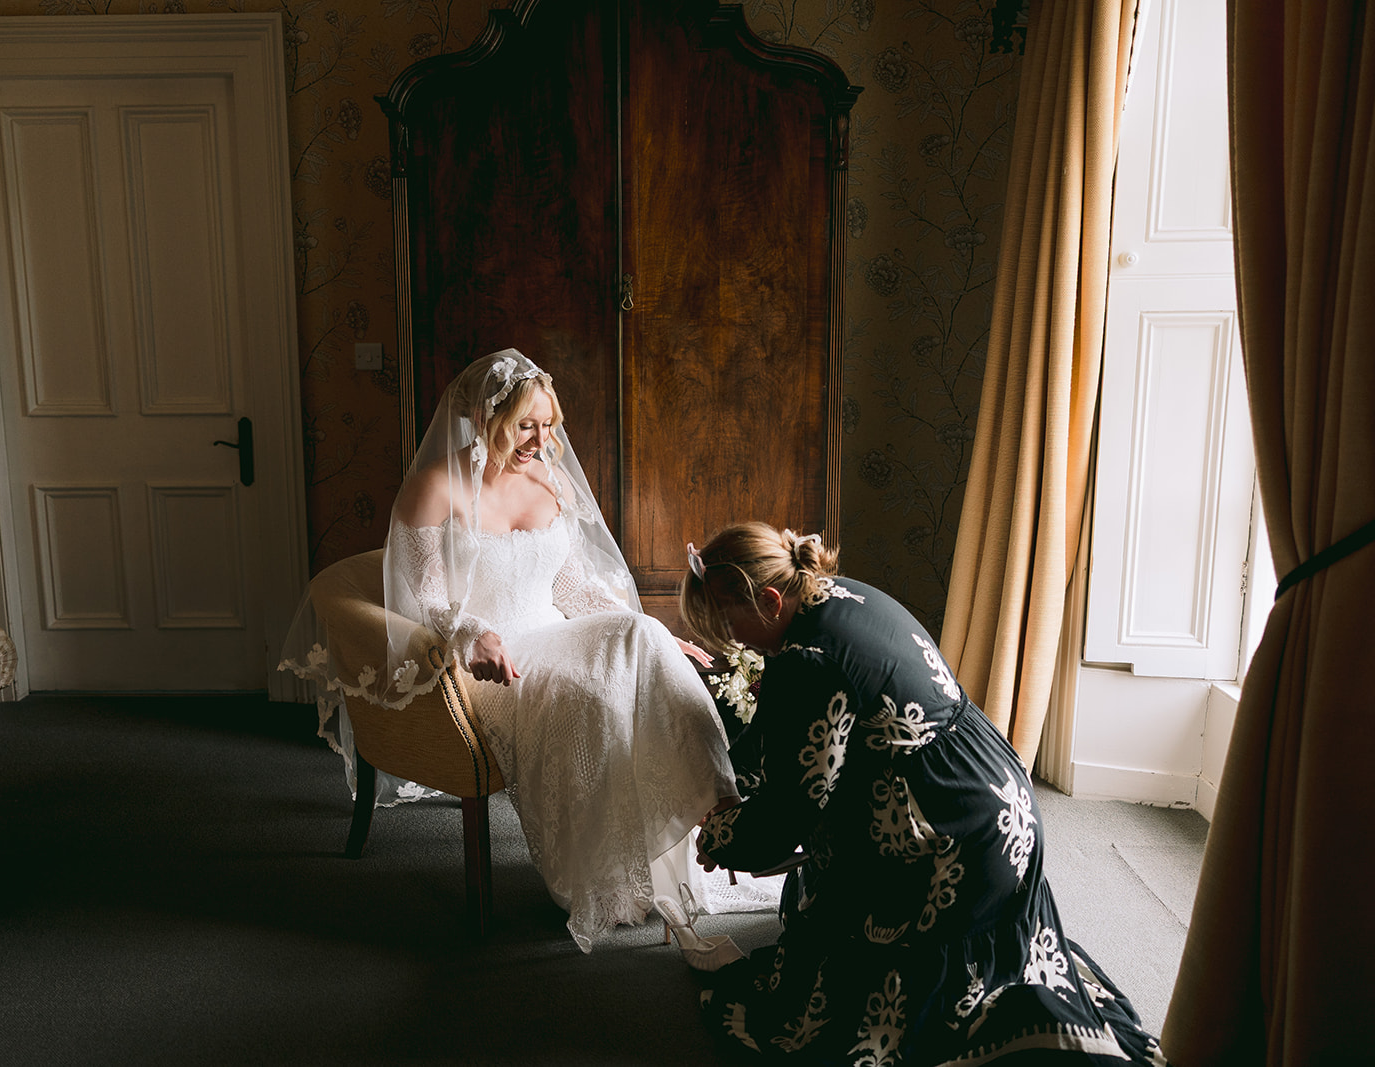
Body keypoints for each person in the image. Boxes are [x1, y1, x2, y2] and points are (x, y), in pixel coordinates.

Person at [281, 349, 773, 952]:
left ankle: (720, 810)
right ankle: (609, 870)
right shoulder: (434, 488)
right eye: (525, 426)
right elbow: (423, 599)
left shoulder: (548, 478)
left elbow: (573, 589)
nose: (542, 441)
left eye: (548, 424)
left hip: (552, 632)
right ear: (483, 419)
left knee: (644, 637)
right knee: (592, 698)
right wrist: (472, 633)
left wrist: (655, 632)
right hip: (489, 661)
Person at [679, 521, 1163, 1063]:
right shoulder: (831, 593)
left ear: (769, 600)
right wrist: (731, 781)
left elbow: (789, 814)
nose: (731, 639)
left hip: (955, 840)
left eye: (729, 622)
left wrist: (720, 836)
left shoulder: (807, 661)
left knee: (825, 991)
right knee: (818, 892)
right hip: (1000, 799)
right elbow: (787, 739)